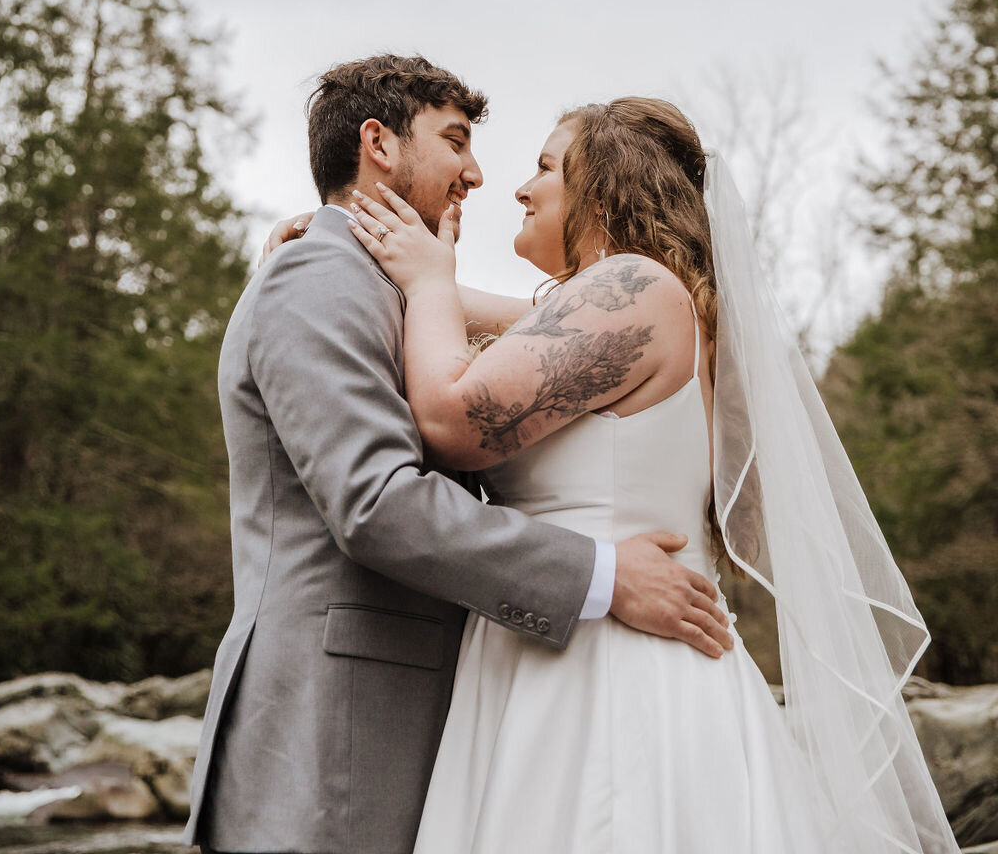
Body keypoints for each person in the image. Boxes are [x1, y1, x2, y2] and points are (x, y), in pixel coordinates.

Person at [298, 94, 957, 854]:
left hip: (609, 676)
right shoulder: (632, 301)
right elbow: (495, 317)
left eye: (545, 167)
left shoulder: (637, 291)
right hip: (557, 649)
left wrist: (430, 282)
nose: (519, 187)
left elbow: (451, 418)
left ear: (605, 191)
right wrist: (345, 250)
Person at [185, 59, 732, 854]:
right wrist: (603, 575)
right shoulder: (318, 278)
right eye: (454, 142)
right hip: (334, 725)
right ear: (377, 143)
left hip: (531, 696)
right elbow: (377, 502)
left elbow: (531, 344)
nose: (480, 175)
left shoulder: (609, 301)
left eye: (540, 166)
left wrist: (419, 275)